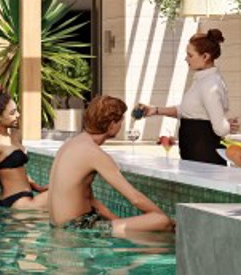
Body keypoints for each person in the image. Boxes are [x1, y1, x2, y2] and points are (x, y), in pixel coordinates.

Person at [49, 95, 173, 235]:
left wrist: (119, 221)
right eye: (120, 121)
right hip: (78, 229)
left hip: (58, 227)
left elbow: (89, 199)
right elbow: (135, 198)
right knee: (161, 221)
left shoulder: (71, 144)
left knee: (140, 228)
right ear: (112, 124)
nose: (121, 125)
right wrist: (166, 220)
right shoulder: (94, 153)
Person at [138, 29, 238, 165]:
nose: (186, 59)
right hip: (195, 154)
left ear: (205, 56)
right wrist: (155, 110)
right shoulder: (202, 81)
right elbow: (187, 111)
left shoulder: (209, 84)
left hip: (204, 157)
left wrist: (226, 125)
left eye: (190, 55)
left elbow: (221, 129)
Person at [0, 82, 48, 216]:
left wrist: (38, 188)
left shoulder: (14, 134)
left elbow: (18, 170)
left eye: (17, 110)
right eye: (12, 113)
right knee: (65, 191)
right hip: (15, 202)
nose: (18, 115)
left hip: (27, 198)